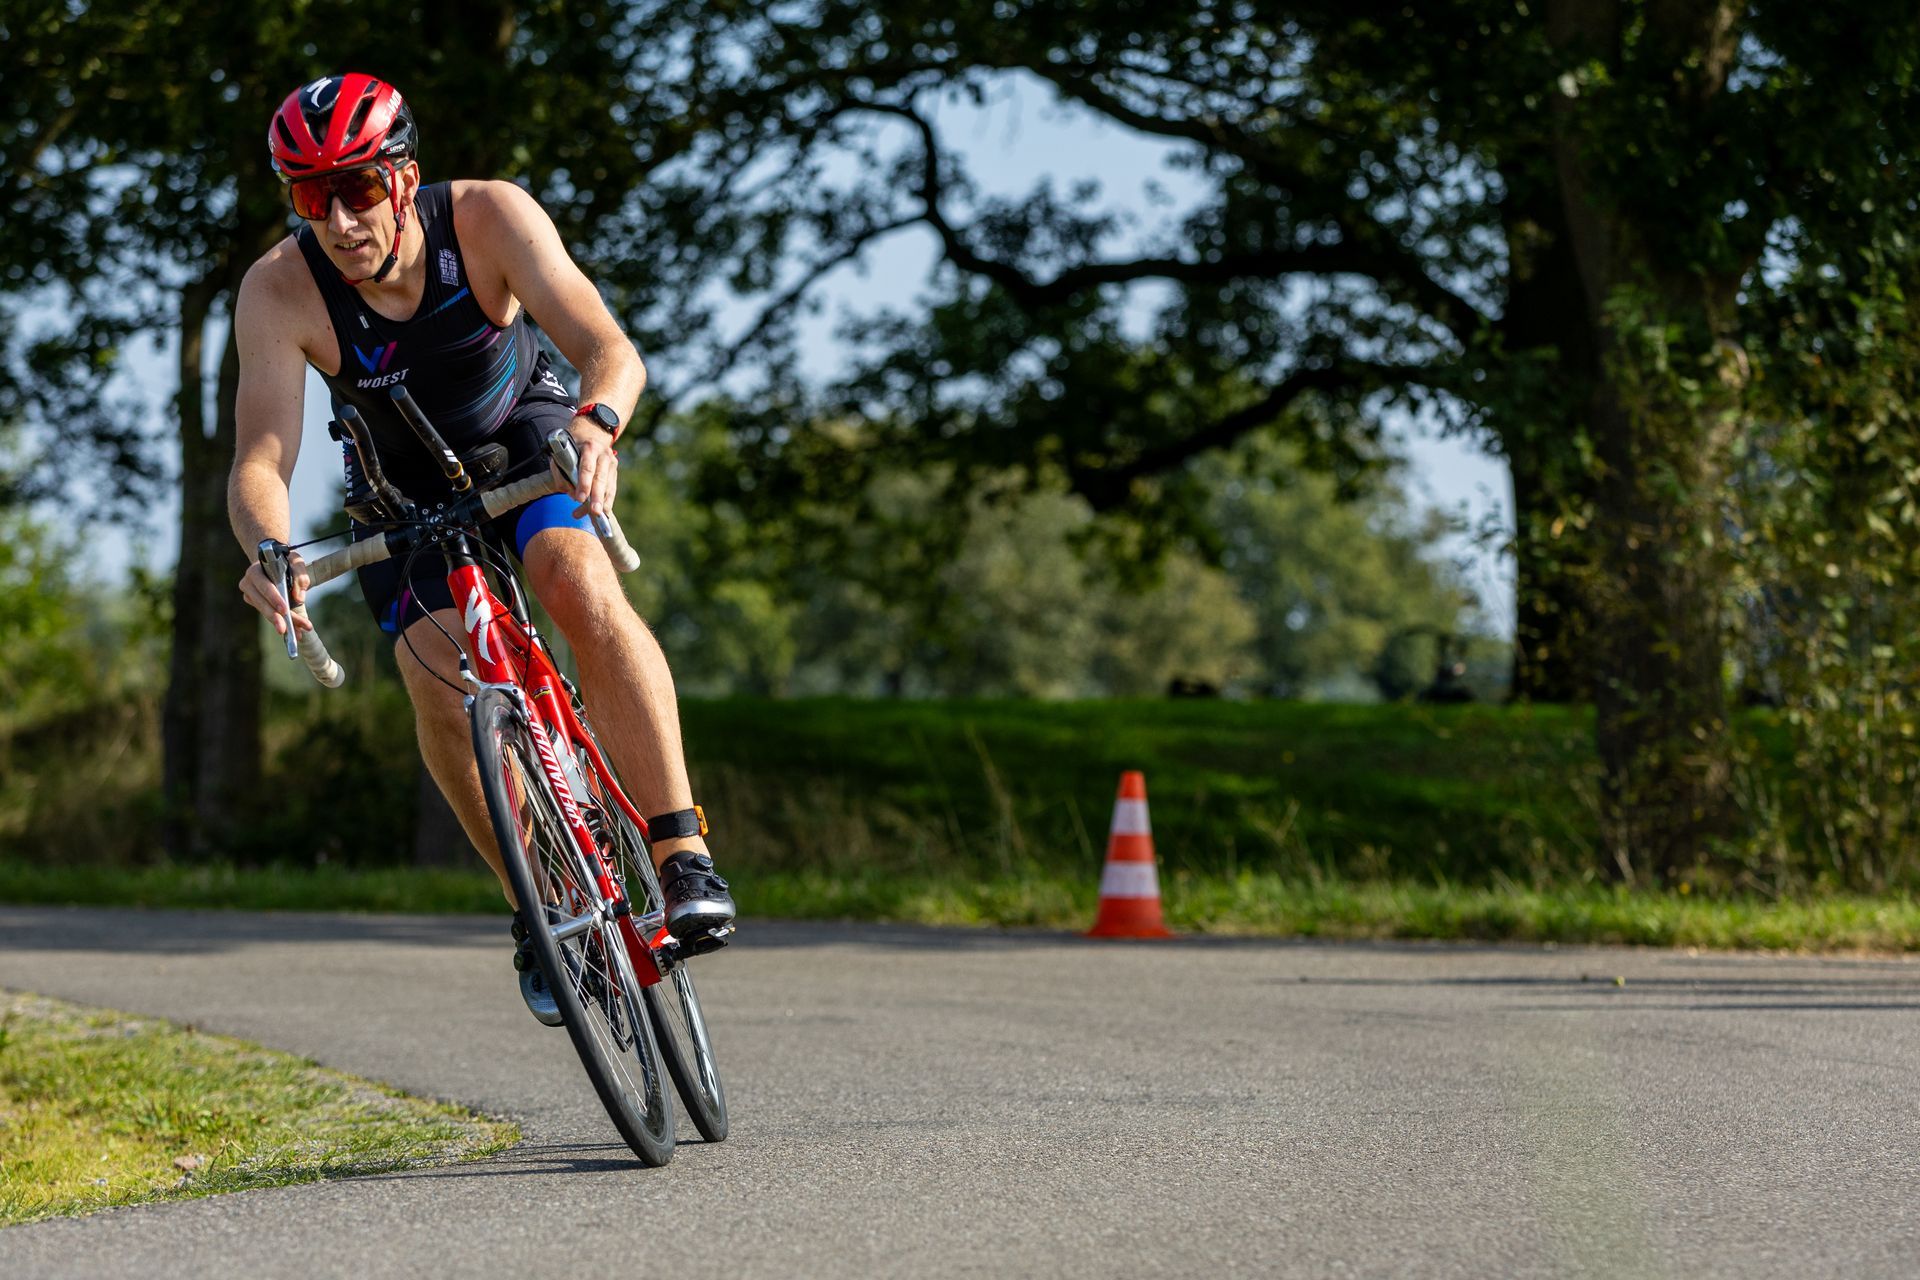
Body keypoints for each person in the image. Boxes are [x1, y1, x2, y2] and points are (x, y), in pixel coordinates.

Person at [228, 73, 734, 1025]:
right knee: (436, 677)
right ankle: (537, 912)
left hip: (526, 433)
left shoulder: (489, 216)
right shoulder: (277, 288)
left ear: (404, 175)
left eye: (358, 189)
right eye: (309, 196)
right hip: (400, 488)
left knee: (574, 581)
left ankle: (680, 853)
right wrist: (269, 546)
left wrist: (598, 423)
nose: (338, 220)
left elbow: (608, 346)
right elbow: (261, 455)